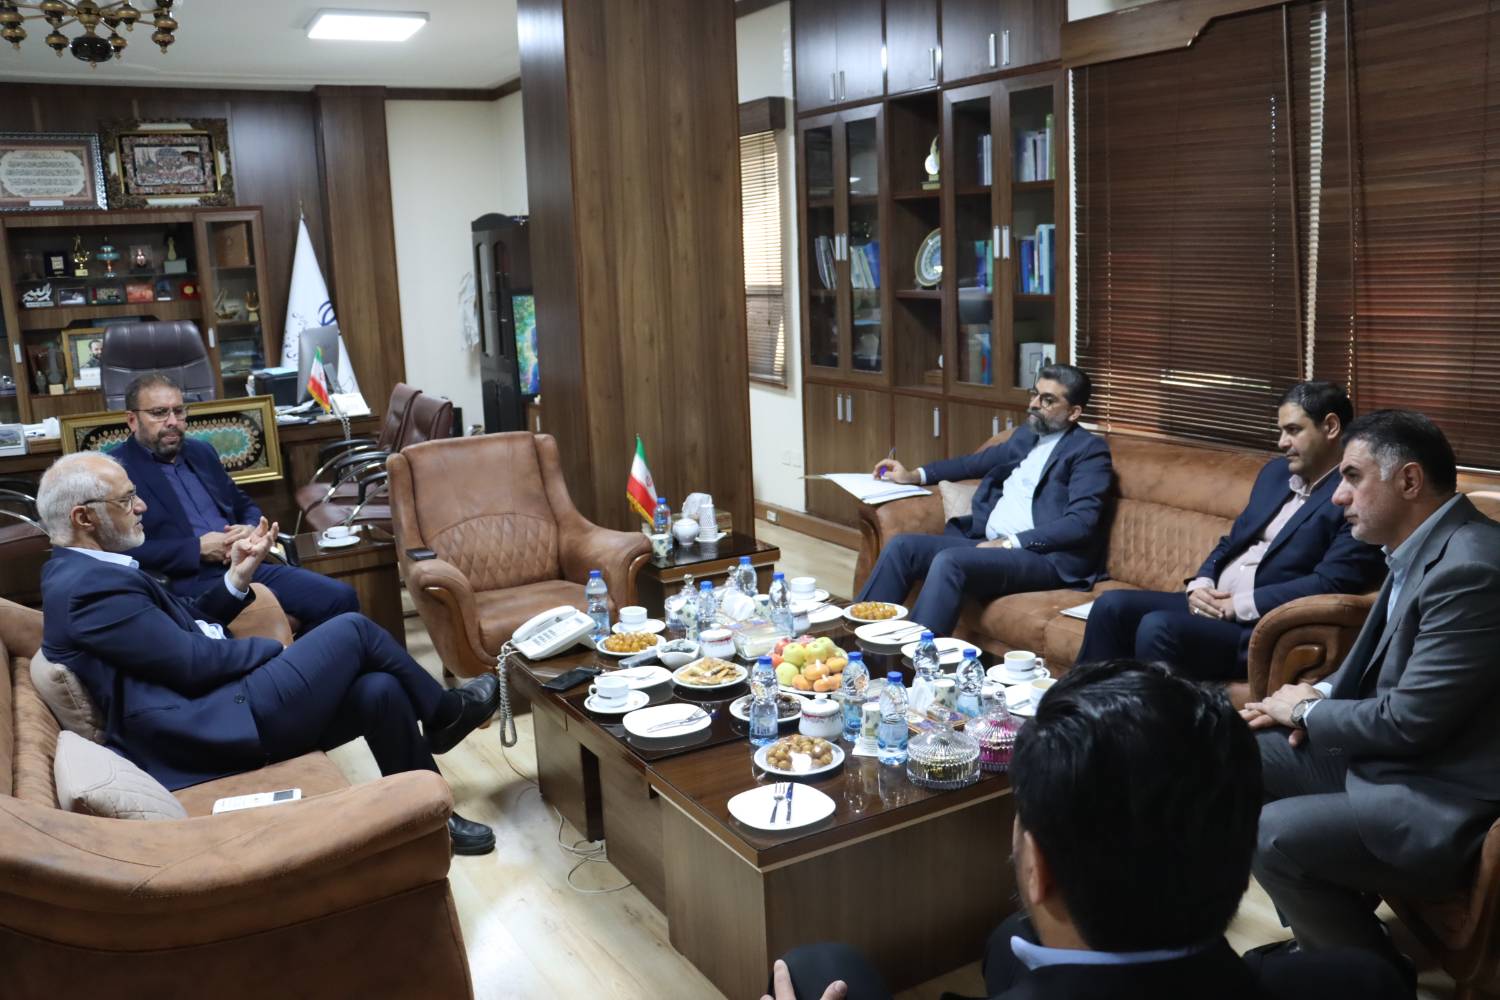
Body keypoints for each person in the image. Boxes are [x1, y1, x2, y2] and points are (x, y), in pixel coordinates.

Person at [762, 661, 1409, 1000]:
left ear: (1037, 867)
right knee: (1009, 942)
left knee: (819, 965)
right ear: (1239, 853)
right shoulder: (1364, 984)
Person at [37, 451, 501, 855]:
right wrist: (275, 651)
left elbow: (185, 626)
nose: (141, 507)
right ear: (84, 518)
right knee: (354, 630)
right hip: (205, 729)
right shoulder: (88, 589)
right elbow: (191, 665)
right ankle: (444, 714)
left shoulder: (88, 573)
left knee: (379, 690)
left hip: (216, 707)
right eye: (126, 500)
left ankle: (432, 820)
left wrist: (237, 577)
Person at [1244, 409, 1500, 970]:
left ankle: (1368, 978)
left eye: (1352, 477)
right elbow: (1377, 669)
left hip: (1443, 797)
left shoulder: (1473, 569)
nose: (1337, 496)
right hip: (1400, 763)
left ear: (1409, 481)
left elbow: (1410, 722)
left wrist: (1307, 713)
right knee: (1239, 750)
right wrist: (1314, 697)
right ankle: (1329, 938)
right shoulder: (1419, 545)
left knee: (1273, 834)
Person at [1075, 381, 1385, 680]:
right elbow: (1232, 541)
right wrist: (1201, 583)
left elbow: (1330, 583)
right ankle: (1076, 709)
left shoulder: (1351, 496)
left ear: (1330, 427)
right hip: (1216, 603)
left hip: (1259, 626)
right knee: (1110, 606)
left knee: (1158, 627)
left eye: (1293, 430)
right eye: (1281, 431)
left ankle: (1153, 717)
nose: (1282, 442)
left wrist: (1237, 605)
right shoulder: (1275, 474)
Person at [855, 364, 1112, 635]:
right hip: (988, 543)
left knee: (950, 561)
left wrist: (1009, 543)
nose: (1034, 404)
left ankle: (921, 658)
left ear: (1074, 412)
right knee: (902, 547)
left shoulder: (1089, 451)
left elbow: (1080, 523)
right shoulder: (1027, 435)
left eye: (1047, 400)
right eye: (1034, 394)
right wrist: (914, 475)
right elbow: (973, 464)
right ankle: (856, 647)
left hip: (1042, 557)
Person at [110, 373, 359, 634]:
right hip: (191, 582)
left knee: (340, 598)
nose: (173, 422)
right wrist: (196, 549)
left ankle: (311, 660)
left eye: (179, 411)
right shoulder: (116, 471)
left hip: (245, 564)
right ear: (132, 420)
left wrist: (249, 527)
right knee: (272, 614)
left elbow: (244, 504)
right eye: (159, 413)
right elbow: (118, 551)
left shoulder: (201, 452)